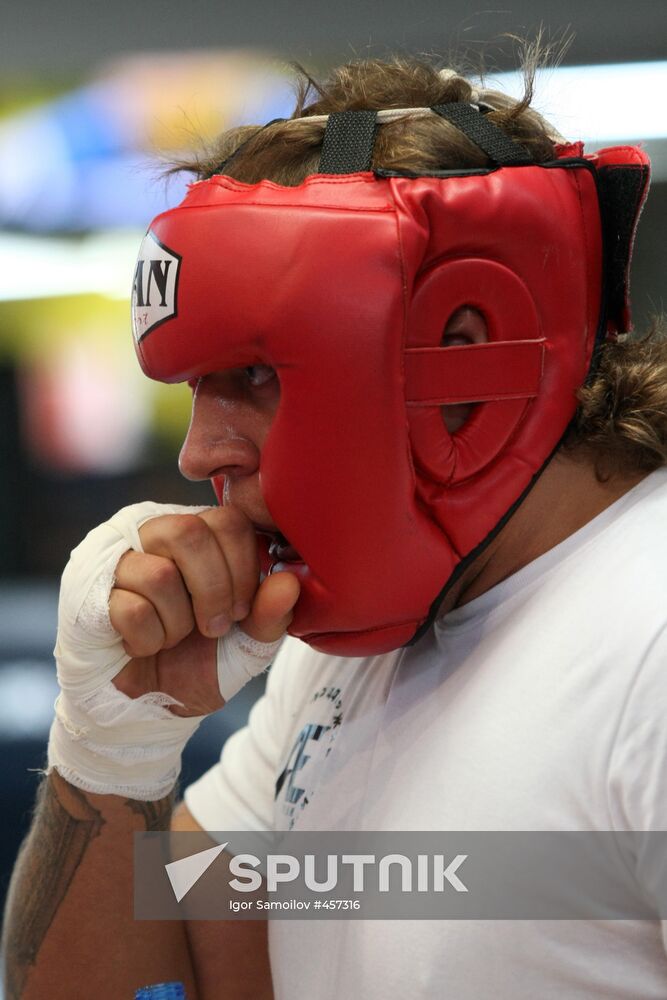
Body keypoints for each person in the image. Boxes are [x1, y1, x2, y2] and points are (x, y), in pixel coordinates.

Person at [3, 53, 667, 1000]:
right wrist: (113, 752)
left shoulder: (647, 645)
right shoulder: (350, 653)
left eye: (256, 378)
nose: (198, 455)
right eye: (199, 388)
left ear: (463, 349)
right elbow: (178, 968)